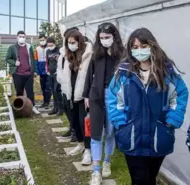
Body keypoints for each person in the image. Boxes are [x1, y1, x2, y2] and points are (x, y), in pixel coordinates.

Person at [107, 28, 189, 185]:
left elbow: (180, 95)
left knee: (150, 178)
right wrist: (120, 123)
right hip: (132, 136)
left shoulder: (166, 72)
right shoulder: (124, 73)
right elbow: (113, 99)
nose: (139, 51)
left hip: (159, 136)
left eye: (143, 46)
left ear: (152, 46)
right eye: (135, 47)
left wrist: (172, 120)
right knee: (138, 180)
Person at [83, 22, 124, 185]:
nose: (104, 40)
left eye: (107, 37)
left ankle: (107, 161)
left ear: (114, 37)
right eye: (101, 38)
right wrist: (86, 94)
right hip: (97, 95)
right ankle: (95, 171)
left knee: (111, 132)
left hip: (114, 97)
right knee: (96, 133)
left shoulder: (122, 55)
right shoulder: (96, 54)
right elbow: (88, 74)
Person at [61, 29, 93, 164]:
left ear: (79, 42)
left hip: (83, 95)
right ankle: (80, 144)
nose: (71, 45)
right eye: (68, 42)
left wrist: (89, 94)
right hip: (70, 93)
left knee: (83, 122)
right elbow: (63, 73)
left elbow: (91, 76)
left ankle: (88, 150)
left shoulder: (89, 55)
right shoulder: (67, 55)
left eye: (73, 42)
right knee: (74, 122)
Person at [6, 30, 40, 114]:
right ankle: (19, 108)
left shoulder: (29, 47)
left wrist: (33, 71)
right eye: (20, 37)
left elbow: (32, 60)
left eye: (23, 37)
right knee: (19, 92)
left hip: (28, 74)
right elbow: (8, 58)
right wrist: (14, 63)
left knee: (30, 92)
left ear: (25, 37)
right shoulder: (12, 48)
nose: (22, 38)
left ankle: (33, 107)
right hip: (18, 74)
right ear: (17, 37)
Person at [57, 27, 77, 142]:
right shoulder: (63, 52)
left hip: (73, 85)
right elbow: (61, 66)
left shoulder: (77, 52)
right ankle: (72, 127)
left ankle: (76, 132)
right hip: (64, 84)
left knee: (73, 109)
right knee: (66, 107)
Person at [45, 37, 63, 116]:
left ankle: (60, 109)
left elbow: (63, 61)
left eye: (51, 45)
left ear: (54, 43)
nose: (50, 46)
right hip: (50, 74)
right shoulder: (48, 51)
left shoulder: (59, 50)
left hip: (58, 73)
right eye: (48, 45)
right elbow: (47, 61)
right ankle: (55, 108)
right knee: (53, 91)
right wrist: (47, 70)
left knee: (57, 91)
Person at [35, 34, 50, 108]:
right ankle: (45, 101)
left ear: (46, 39)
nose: (42, 41)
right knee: (43, 87)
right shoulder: (37, 49)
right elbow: (36, 60)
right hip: (41, 72)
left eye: (43, 40)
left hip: (48, 71)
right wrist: (37, 71)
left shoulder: (49, 48)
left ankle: (47, 102)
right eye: (40, 40)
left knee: (48, 87)